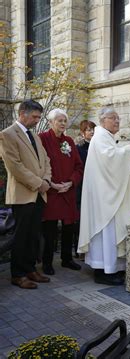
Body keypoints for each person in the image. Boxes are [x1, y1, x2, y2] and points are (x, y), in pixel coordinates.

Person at [77, 107, 130, 285]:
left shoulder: (106, 137)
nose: (117, 121)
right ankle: (103, 271)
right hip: (103, 197)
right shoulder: (99, 137)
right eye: (113, 118)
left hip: (107, 193)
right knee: (105, 231)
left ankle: (112, 268)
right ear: (102, 120)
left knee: (110, 233)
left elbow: (112, 165)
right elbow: (110, 158)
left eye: (118, 118)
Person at [0, 100, 52, 289]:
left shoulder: (34, 135)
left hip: (39, 193)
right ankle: (18, 274)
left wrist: (46, 180)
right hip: (23, 194)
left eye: (39, 117)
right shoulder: (7, 135)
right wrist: (39, 183)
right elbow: (14, 166)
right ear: (22, 113)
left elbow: (45, 159)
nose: (37, 120)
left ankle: (30, 269)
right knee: (21, 236)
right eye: (35, 117)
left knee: (33, 234)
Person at [38, 109, 83, 275]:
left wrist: (71, 181)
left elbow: (79, 166)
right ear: (50, 122)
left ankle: (67, 259)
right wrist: (53, 184)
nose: (63, 123)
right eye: (59, 120)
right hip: (51, 191)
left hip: (68, 191)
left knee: (68, 227)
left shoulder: (69, 141)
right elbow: (39, 166)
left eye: (65, 120)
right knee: (49, 229)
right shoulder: (42, 139)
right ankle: (47, 262)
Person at [73, 120, 96, 257]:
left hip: (95, 188)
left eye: (93, 129)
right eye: (88, 130)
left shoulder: (98, 146)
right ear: (83, 133)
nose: (91, 132)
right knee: (81, 219)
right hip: (82, 187)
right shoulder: (79, 148)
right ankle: (79, 249)